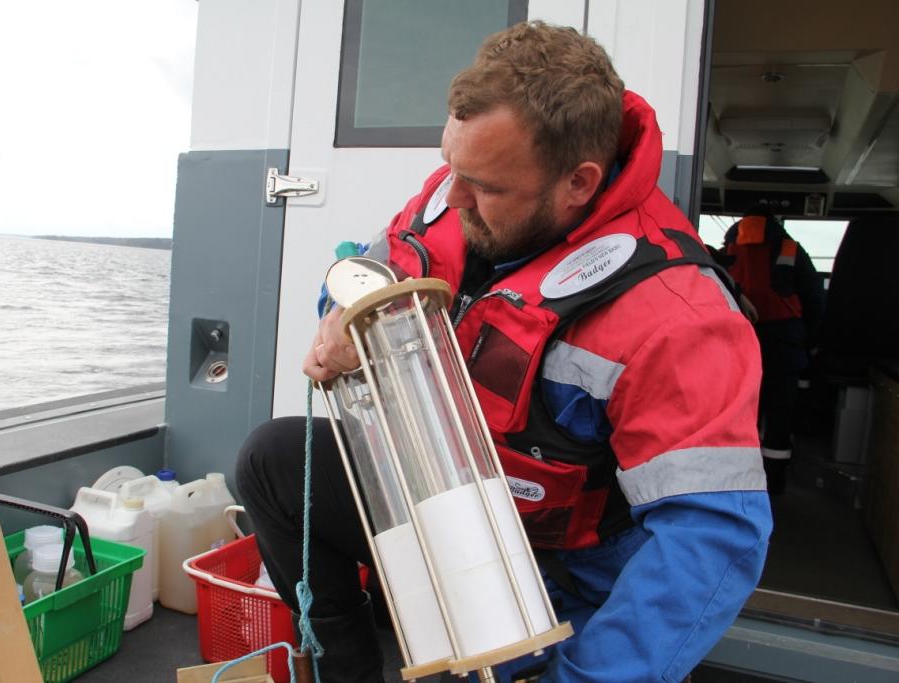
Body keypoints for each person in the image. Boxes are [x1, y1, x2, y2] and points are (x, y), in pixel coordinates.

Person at [236, 21, 772, 683]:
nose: (453, 196)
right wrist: (347, 317)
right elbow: (371, 270)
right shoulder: (459, 186)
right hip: (449, 506)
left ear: (577, 183)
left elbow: (710, 539)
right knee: (272, 460)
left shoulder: (680, 319)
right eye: (451, 166)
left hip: (559, 581)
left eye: (485, 187)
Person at [721, 205, 825, 494]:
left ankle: (738, 482)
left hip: (739, 342)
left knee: (743, 414)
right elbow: (814, 297)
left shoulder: (727, 250)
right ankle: (775, 483)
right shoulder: (790, 248)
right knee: (780, 414)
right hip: (784, 345)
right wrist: (810, 339)